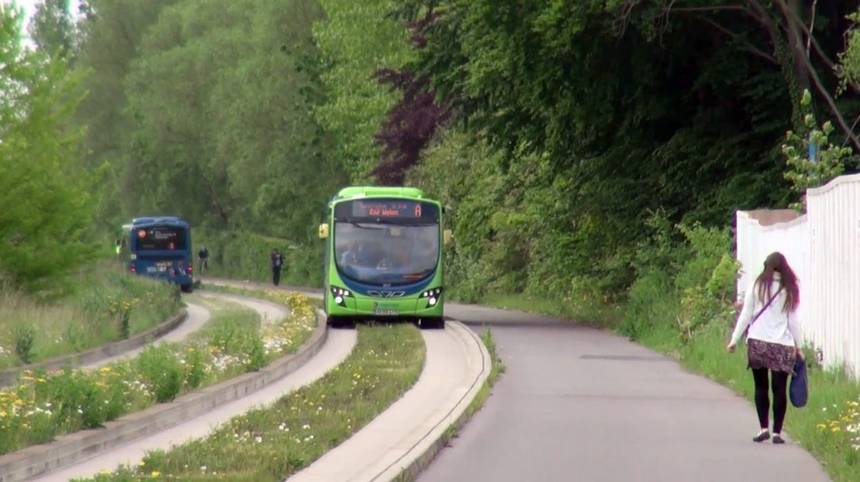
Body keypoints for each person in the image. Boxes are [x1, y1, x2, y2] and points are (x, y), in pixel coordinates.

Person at [727, 252, 803, 445]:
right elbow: (793, 321)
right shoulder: (790, 289)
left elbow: (746, 315)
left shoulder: (757, 285)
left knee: (760, 387)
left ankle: (763, 428)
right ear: (784, 267)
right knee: (779, 390)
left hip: (758, 342)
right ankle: (777, 432)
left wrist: (734, 340)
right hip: (782, 345)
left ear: (766, 266)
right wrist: (799, 346)